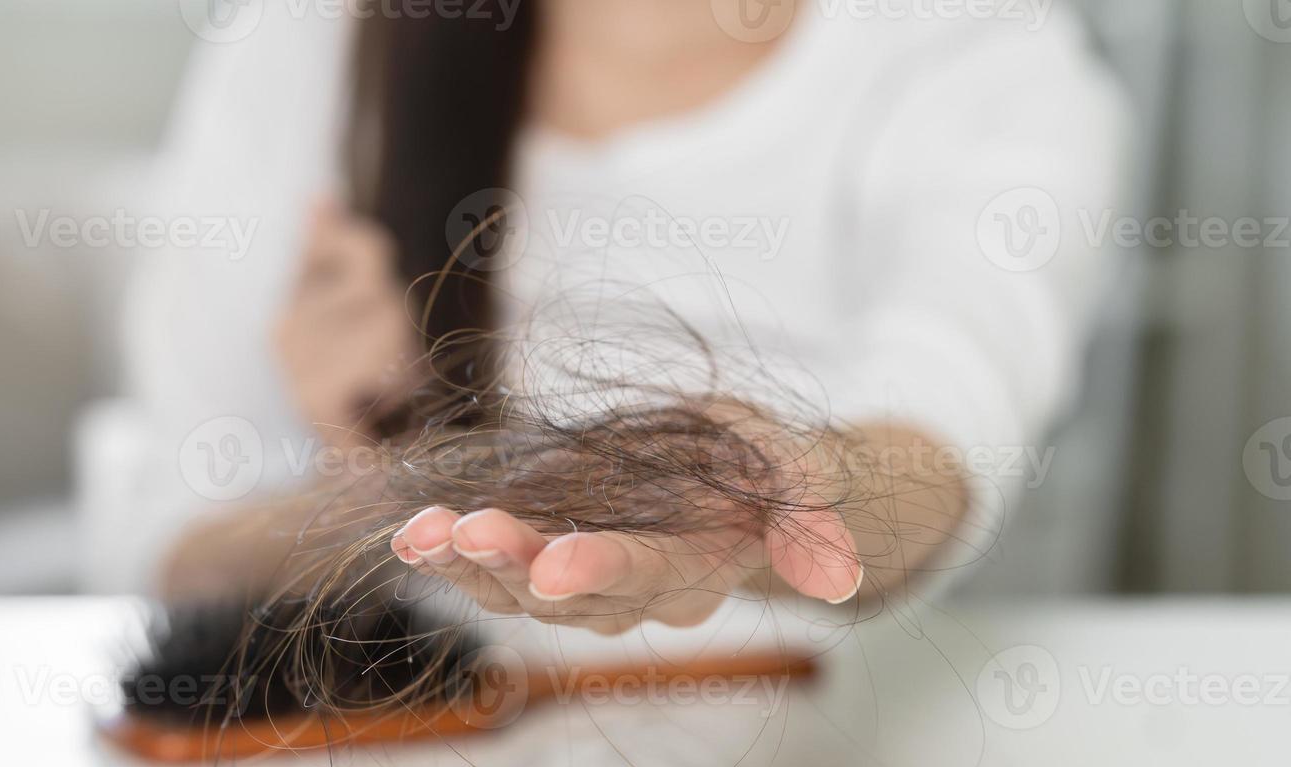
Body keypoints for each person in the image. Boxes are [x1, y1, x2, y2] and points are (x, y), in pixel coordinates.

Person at [88, 0, 1125, 632]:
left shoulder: (983, 59)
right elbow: (175, 551)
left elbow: (946, 434)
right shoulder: (310, 38)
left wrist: (784, 504)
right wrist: (377, 490)